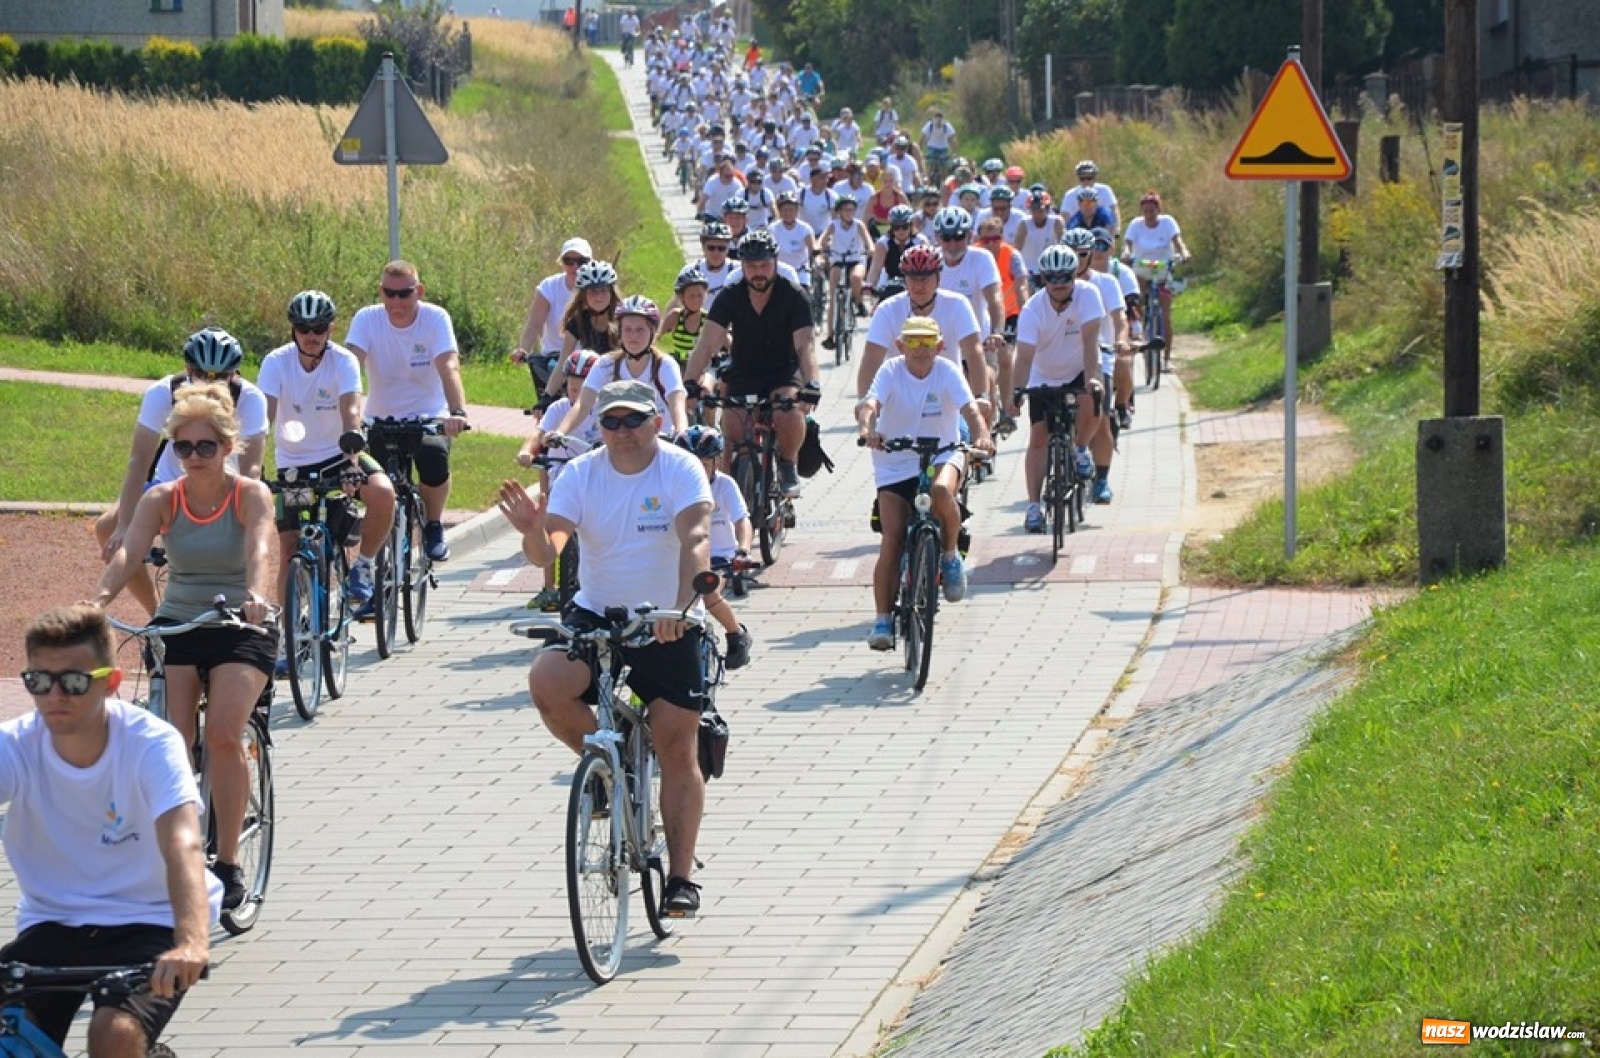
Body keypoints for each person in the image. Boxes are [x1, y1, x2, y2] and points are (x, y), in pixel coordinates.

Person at [496, 379, 715, 917]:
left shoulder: (679, 469)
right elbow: (550, 548)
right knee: (547, 683)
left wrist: (683, 611)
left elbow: (695, 540)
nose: (621, 432)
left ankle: (682, 879)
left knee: (676, 744)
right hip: (598, 613)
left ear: (656, 423)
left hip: (668, 616)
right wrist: (532, 532)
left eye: (632, 421)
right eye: (610, 422)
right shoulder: (582, 473)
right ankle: (606, 768)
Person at [91, 383, 276, 914]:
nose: (194, 458)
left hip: (240, 620)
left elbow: (260, 548)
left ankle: (230, 863)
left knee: (221, 731)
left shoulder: (248, 495)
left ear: (227, 447)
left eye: (206, 447)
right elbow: (129, 549)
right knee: (175, 741)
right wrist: (100, 595)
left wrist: (259, 596)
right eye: (184, 448)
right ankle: (176, 850)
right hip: (181, 619)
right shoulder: (163, 498)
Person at [5, 604, 217, 1057]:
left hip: (150, 919)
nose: (55, 695)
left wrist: (191, 942)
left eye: (74, 681)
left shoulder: (151, 744)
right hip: (55, 921)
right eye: (39, 681)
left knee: (114, 1034)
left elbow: (183, 843)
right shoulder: (16, 745)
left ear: (110, 682)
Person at [94, 329, 268, 617]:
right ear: (187, 368)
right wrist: (124, 524)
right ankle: (155, 614)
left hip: (223, 484)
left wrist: (244, 507)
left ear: (234, 372)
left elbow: (251, 467)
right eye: (200, 374)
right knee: (107, 529)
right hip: (167, 483)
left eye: (220, 376)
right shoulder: (162, 392)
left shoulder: (251, 398)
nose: (208, 383)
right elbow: (139, 461)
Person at [856, 317, 993, 648]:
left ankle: (949, 555)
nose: (920, 350)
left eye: (927, 343)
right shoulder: (891, 371)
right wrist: (867, 429)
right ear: (901, 346)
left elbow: (970, 410)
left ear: (940, 346)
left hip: (941, 453)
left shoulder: (946, 370)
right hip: (894, 460)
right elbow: (870, 404)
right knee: (892, 537)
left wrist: (982, 435)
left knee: (941, 491)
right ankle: (883, 621)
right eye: (913, 343)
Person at [257, 290, 395, 612]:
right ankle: (289, 631)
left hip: (339, 457)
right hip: (294, 467)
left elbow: (351, 413)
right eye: (304, 329)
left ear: (330, 329)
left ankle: (362, 567)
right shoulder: (276, 362)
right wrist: (253, 470)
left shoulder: (342, 360)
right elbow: (264, 419)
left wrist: (350, 462)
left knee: (383, 494)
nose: (311, 336)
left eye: (319, 328)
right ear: (293, 329)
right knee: (290, 547)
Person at [342, 260, 470, 563]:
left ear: (419, 291)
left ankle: (434, 525)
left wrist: (457, 412)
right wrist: (349, 417)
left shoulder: (435, 318)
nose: (396, 301)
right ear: (381, 292)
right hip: (379, 417)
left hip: (428, 415)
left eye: (405, 294)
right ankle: (370, 562)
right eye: (389, 294)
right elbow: (350, 367)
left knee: (433, 456)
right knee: (375, 482)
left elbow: (449, 366)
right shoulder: (367, 319)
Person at [683, 229, 819, 498]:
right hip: (744, 370)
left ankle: (788, 466)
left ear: (776, 263)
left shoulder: (794, 296)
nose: (759, 272)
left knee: (787, 411)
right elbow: (707, 343)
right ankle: (734, 494)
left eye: (765, 265)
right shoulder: (730, 296)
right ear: (742, 266)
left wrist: (812, 382)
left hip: (783, 370)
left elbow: (805, 347)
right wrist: (690, 381)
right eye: (751, 266)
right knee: (734, 432)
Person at [1007, 242, 1109, 533]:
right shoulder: (1032, 309)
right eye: (1053, 278)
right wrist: (1017, 392)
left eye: (1066, 276)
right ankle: (1033, 506)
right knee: (1039, 437)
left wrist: (1092, 379)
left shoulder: (1088, 295)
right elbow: (1024, 357)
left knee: (1093, 398)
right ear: (1043, 279)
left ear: (1074, 276)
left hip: (1080, 367)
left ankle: (1079, 449)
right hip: (1044, 374)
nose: (1060, 283)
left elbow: (1090, 342)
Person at [517, 349, 601, 612]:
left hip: (594, 480)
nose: (576, 396)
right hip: (562, 476)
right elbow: (538, 435)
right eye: (572, 389)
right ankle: (550, 586)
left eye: (583, 389)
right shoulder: (558, 409)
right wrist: (526, 452)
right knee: (549, 520)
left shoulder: (603, 411)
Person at [674, 426, 752, 670]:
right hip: (682, 555)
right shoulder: (672, 487)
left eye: (704, 464)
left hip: (718, 557)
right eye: (691, 463)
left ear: (716, 463)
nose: (697, 469)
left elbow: (742, 520)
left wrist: (743, 550)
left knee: (706, 594)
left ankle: (736, 634)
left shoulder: (725, 485)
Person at [556, 296, 689, 438]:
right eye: (627, 329)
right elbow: (583, 404)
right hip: (617, 445)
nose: (633, 336)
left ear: (652, 332)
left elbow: (677, 405)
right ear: (619, 332)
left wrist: (681, 433)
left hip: (658, 445)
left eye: (640, 330)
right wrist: (560, 432)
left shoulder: (665, 365)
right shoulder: (605, 364)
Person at [510, 237, 592, 413]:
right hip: (555, 357)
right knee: (548, 400)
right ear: (561, 263)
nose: (575, 267)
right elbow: (534, 323)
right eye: (568, 261)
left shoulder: (595, 290)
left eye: (581, 261)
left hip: (588, 358)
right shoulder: (550, 287)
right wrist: (523, 349)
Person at [1121, 190, 1191, 367]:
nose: (1149, 215)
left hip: (1163, 268)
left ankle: (1166, 359)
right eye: (1145, 211)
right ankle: (1138, 328)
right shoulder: (1136, 225)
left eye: (1152, 211)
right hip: (1142, 267)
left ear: (1158, 210)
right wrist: (1126, 252)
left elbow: (1178, 241)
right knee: (1136, 296)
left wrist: (1183, 252)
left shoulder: (1168, 223)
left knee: (1166, 314)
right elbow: (1128, 244)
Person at [818, 196, 872, 349]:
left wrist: (870, 249)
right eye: (846, 210)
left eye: (852, 210)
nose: (849, 213)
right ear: (839, 212)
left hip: (856, 259)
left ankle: (859, 302)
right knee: (833, 294)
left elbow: (868, 241)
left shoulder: (858, 225)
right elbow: (822, 239)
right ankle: (830, 335)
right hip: (838, 260)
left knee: (855, 277)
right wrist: (820, 246)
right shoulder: (833, 225)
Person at [864, 204, 923, 299]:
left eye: (904, 226)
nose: (900, 230)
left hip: (914, 284)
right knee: (877, 311)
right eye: (896, 227)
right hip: (889, 283)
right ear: (891, 227)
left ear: (911, 225)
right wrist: (869, 285)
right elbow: (875, 267)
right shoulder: (883, 243)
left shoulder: (920, 241)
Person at [661, 265, 711, 369]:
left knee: (707, 385)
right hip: (678, 364)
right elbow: (656, 336)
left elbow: (725, 338)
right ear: (681, 297)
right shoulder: (675, 316)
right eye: (691, 296)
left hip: (701, 366)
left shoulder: (708, 318)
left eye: (700, 295)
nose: (696, 300)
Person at [1073, 159, 1120, 234]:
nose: (1086, 181)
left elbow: (1113, 210)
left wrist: (1117, 229)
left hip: (1102, 229)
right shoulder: (1070, 194)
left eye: (1089, 178)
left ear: (1094, 178)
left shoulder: (1105, 190)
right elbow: (1065, 217)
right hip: (1078, 229)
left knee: (1105, 211)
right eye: (1082, 179)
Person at [919, 110, 957, 180]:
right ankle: (928, 183)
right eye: (937, 119)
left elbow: (952, 139)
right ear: (934, 119)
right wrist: (920, 150)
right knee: (930, 166)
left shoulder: (947, 126)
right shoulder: (929, 125)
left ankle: (945, 183)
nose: (938, 122)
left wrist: (954, 152)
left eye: (940, 119)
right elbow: (922, 138)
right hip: (932, 147)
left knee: (944, 167)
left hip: (943, 148)